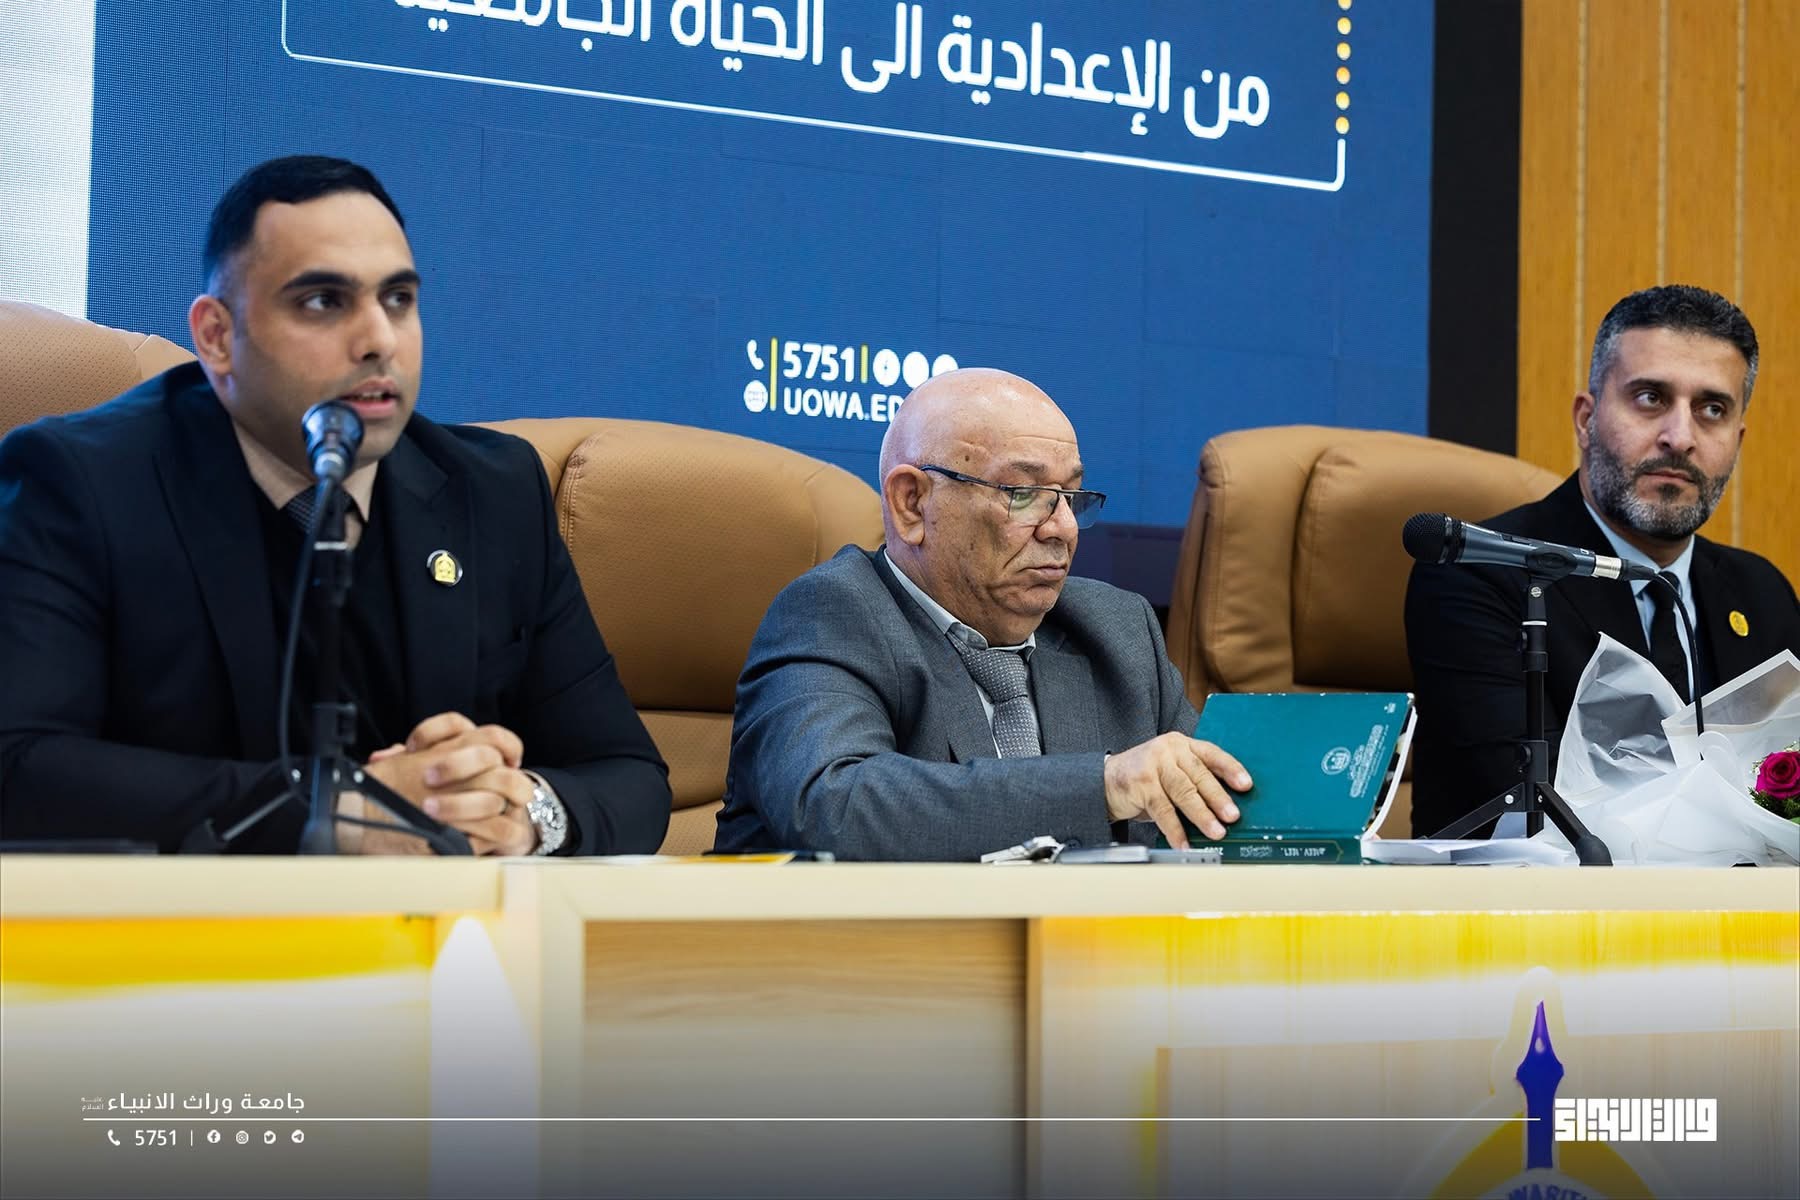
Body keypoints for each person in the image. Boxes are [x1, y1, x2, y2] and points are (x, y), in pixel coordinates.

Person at [0, 155, 670, 855]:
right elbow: (18, 767)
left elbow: (628, 774)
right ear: (217, 337)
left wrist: (520, 810)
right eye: (323, 301)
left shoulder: (494, 493)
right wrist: (331, 811)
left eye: (399, 299)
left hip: (440, 925)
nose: (379, 339)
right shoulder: (82, 481)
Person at [714, 367, 1250, 860]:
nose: (1063, 528)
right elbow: (832, 807)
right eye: (1024, 494)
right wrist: (1104, 785)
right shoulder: (832, 614)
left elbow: (1232, 815)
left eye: (1070, 496)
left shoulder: (1117, 628)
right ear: (911, 503)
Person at [1406, 284, 1800, 836]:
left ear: (1737, 439)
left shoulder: (1762, 592)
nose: (1680, 437)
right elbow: (1535, 811)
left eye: (1711, 409)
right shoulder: (1479, 572)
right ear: (1585, 419)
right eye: (1650, 398)